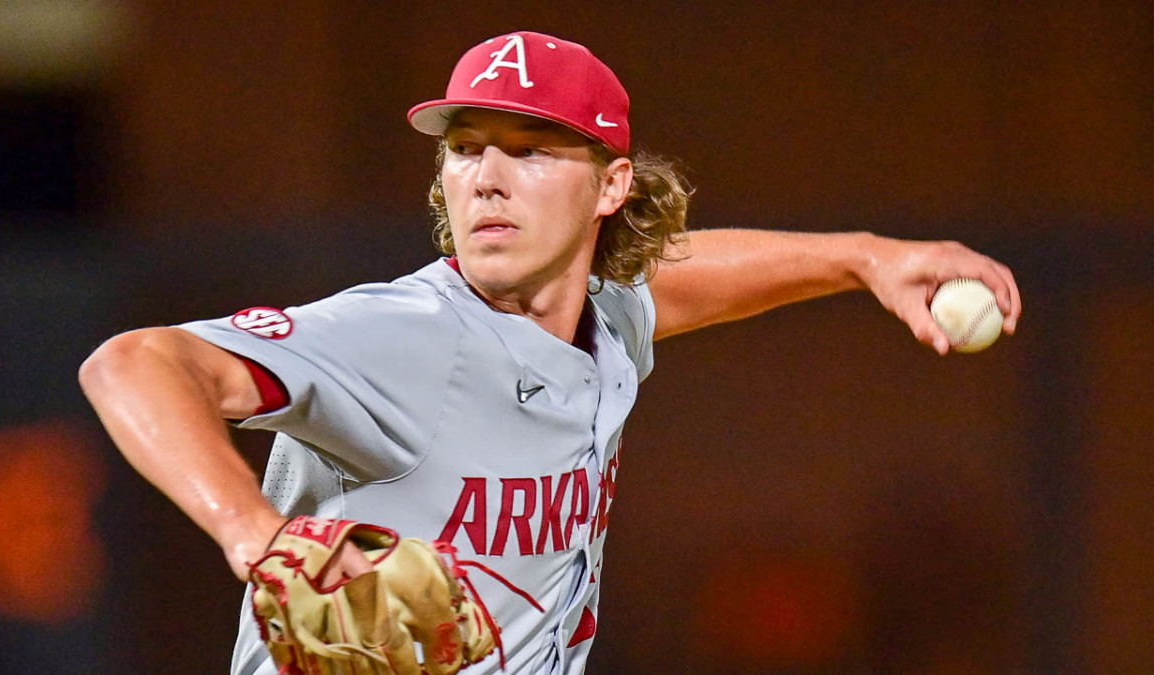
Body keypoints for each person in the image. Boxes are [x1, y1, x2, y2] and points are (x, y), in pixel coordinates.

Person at [79, 30, 1021, 675]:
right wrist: (254, 532)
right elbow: (133, 363)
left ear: (612, 187)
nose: (487, 177)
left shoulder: (601, 322)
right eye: (466, 148)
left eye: (530, 150)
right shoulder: (407, 336)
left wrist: (864, 259)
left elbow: (675, 282)